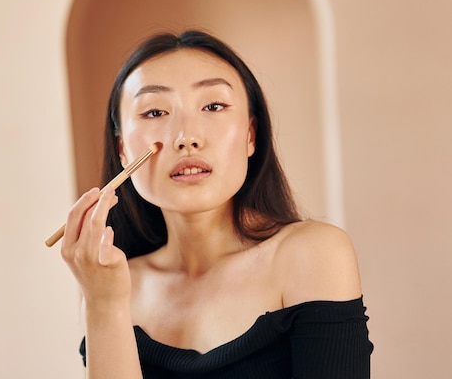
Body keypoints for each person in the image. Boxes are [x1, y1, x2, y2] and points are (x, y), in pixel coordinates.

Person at [60, 30, 373, 378]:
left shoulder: (312, 254)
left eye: (213, 106)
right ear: (122, 150)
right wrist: (105, 305)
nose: (186, 137)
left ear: (251, 135)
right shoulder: (111, 284)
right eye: (153, 112)